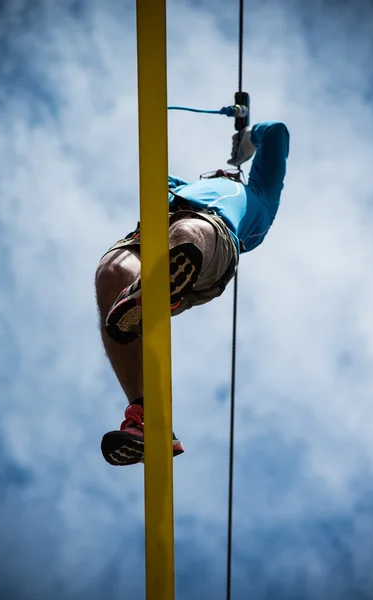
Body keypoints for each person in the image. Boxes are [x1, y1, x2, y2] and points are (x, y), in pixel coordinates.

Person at [95, 121, 290, 466]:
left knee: (191, 230)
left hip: (213, 242)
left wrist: (249, 139)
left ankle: (162, 285)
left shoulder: (258, 194)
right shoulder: (183, 188)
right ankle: (145, 416)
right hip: (153, 238)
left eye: (226, 174)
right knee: (111, 271)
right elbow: (151, 177)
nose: (219, 172)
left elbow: (276, 133)